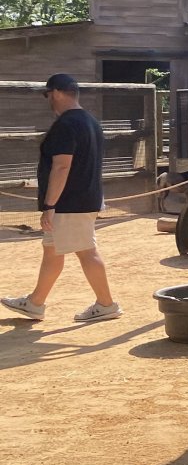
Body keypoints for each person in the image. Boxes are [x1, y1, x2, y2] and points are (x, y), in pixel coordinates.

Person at [2, 74, 121, 323]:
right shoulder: (90, 121)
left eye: (48, 95)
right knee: (52, 251)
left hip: (70, 203)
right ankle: (35, 303)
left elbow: (62, 167)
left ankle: (106, 304)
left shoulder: (66, 125)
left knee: (86, 251)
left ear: (55, 92)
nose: (49, 101)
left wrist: (50, 205)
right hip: (82, 198)